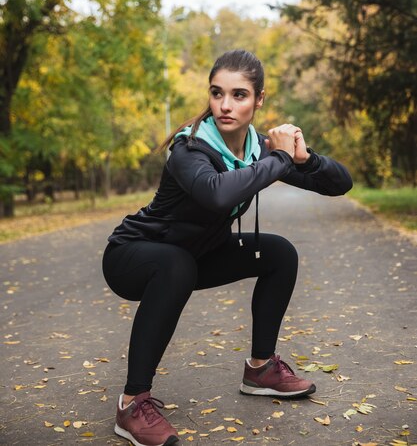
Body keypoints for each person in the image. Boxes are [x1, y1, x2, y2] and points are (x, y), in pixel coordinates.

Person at [102, 49, 353, 446]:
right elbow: (217, 195)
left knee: (280, 254)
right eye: (217, 93)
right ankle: (131, 404)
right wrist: (281, 158)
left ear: (259, 100)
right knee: (176, 264)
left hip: (195, 255)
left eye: (239, 95)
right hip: (134, 255)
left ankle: (261, 369)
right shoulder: (190, 148)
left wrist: (304, 159)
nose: (224, 105)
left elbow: (341, 184)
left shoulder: (258, 148)